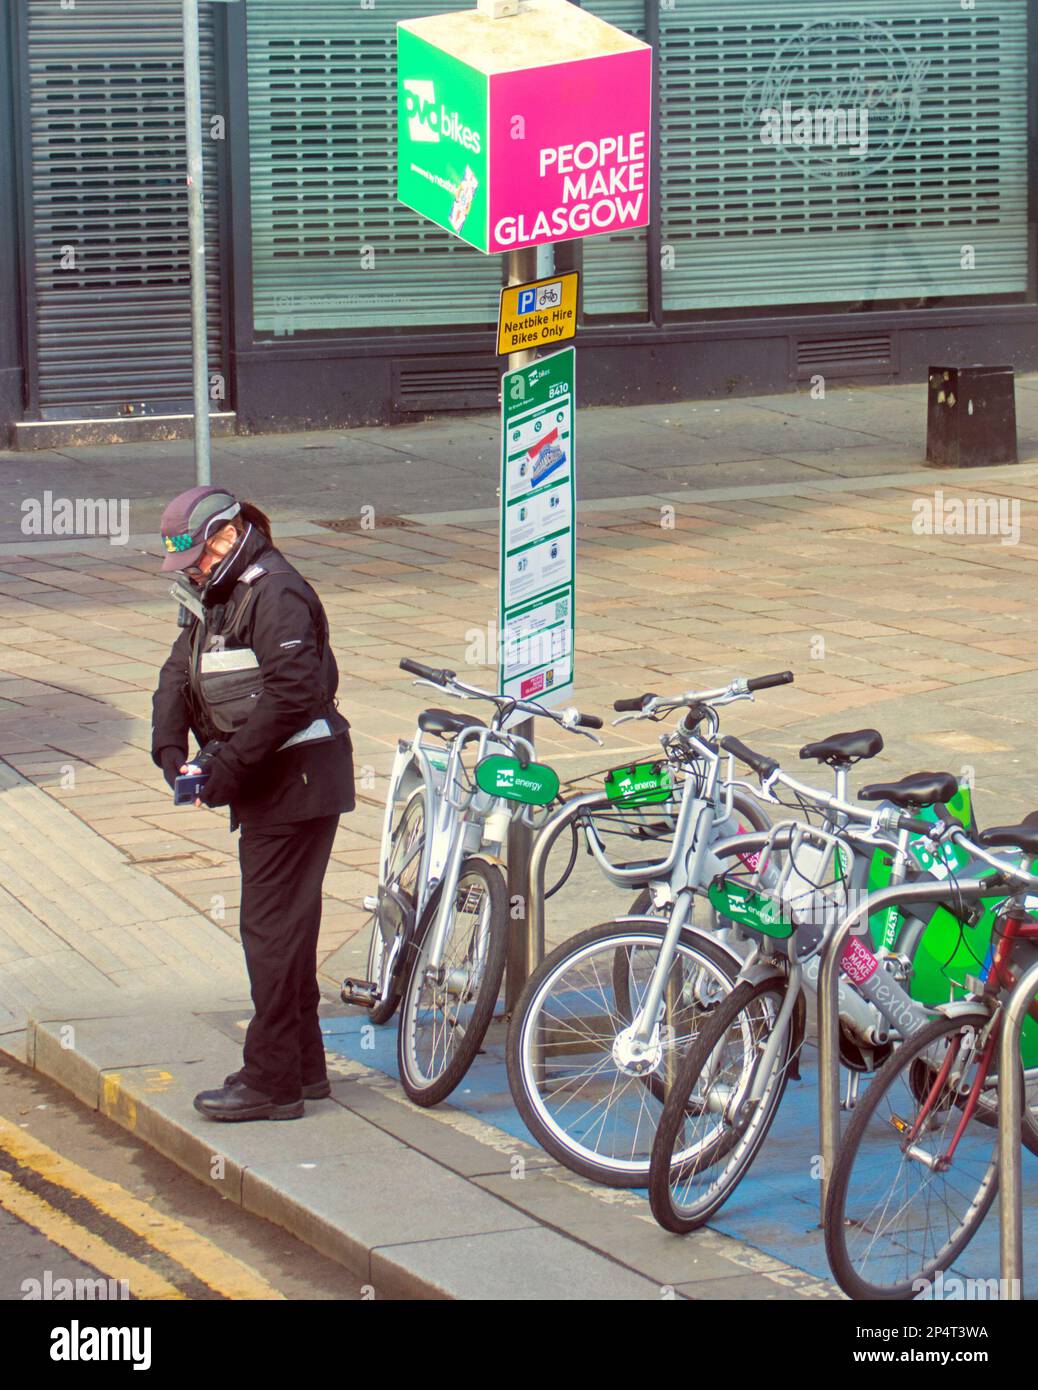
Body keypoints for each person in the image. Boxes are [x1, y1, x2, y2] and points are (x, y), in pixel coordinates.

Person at [151, 486, 355, 1121]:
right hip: (273, 781)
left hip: (298, 782)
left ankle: (271, 1082)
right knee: (285, 931)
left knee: (269, 933)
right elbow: (178, 671)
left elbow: (292, 696)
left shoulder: (276, 592)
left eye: (199, 559)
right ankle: (305, 1068)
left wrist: (229, 767)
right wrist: (169, 746)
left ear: (226, 535)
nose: (195, 573)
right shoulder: (219, 591)